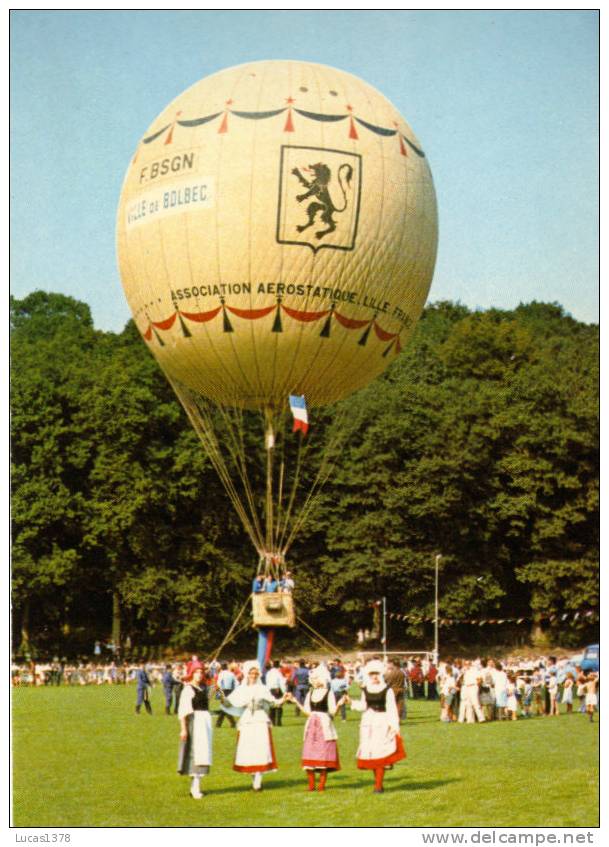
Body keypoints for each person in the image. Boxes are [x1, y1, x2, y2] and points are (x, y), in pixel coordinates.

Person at [221, 660, 288, 791]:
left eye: (255, 673)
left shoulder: (262, 689)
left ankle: (258, 781)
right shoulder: (241, 689)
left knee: (261, 748)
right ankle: (254, 778)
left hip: (260, 719)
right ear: (246, 674)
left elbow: (274, 703)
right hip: (247, 720)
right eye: (251, 673)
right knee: (249, 749)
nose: (253, 675)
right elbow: (228, 703)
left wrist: (284, 698)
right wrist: (218, 692)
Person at [346, 659, 406, 793]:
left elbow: (392, 709)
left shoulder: (387, 690)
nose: (374, 676)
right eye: (372, 674)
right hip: (368, 723)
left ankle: (378, 785)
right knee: (372, 754)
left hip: (382, 722)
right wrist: (351, 702)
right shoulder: (365, 689)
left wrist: (394, 726)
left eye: (376, 674)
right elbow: (363, 705)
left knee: (381, 753)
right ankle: (378, 783)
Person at [290, 666, 345, 791]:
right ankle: (311, 785)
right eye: (312, 679)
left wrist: (339, 705)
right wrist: (296, 702)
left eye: (316, 678)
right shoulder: (311, 692)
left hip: (324, 726)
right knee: (309, 753)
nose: (313, 681)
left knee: (323, 755)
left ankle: (321, 785)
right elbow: (308, 712)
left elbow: (332, 713)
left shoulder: (328, 692)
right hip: (311, 726)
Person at [177, 661, 213, 799]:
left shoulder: (204, 688)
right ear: (192, 673)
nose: (199, 675)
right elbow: (183, 711)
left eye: (201, 672)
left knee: (203, 753)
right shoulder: (188, 689)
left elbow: (217, 692)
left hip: (204, 723)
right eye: (196, 672)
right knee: (195, 753)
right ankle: (195, 788)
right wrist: (183, 729)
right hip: (195, 722)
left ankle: (196, 786)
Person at [265, 660, 287, 726]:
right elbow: (281, 683)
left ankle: (272, 722)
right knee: (279, 706)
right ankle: (279, 722)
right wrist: (284, 691)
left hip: (270, 690)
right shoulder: (278, 673)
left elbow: (267, 683)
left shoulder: (268, 673)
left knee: (272, 707)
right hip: (277, 690)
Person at [215, 662, 237, 728]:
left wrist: (218, 694)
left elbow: (219, 683)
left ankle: (219, 724)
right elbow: (235, 683)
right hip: (230, 691)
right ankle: (232, 723)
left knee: (224, 708)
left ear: (221, 667)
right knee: (226, 707)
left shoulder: (221, 674)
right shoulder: (231, 674)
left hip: (223, 691)